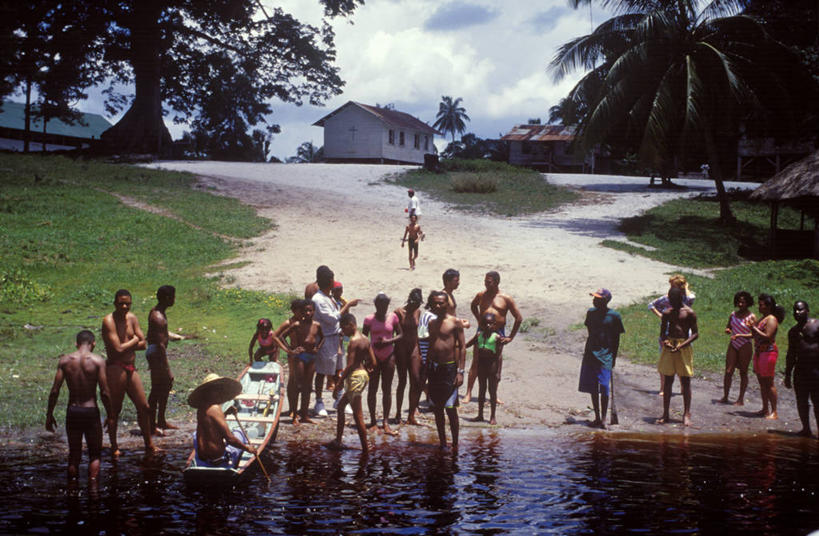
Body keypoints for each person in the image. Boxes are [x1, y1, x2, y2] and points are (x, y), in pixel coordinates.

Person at [45, 330, 112, 488]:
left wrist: (49, 414)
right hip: (90, 411)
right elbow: (104, 392)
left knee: (74, 455)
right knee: (94, 455)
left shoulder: (65, 361)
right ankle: (94, 491)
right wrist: (111, 415)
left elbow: (54, 391)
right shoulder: (98, 361)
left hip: (73, 411)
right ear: (93, 344)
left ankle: (72, 492)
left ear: (76, 344)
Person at [101, 289, 158, 456]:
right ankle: (114, 447)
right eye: (121, 304)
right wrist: (134, 340)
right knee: (114, 410)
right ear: (115, 303)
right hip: (115, 368)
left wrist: (131, 343)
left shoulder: (132, 318)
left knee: (144, 407)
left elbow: (144, 344)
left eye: (127, 304)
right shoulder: (109, 321)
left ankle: (149, 444)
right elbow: (117, 349)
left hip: (130, 367)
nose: (125, 307)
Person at [464, 271, 522, 403]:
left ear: (496, 282)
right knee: (476, 360)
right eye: (485, 281)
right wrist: (479, 319)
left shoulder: (506, 298)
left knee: (495, 363)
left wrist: (510, 337)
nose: (486, 284)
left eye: (488, 282)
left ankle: (493, 395)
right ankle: (468, 392)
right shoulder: (481, 295)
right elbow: (473, 306)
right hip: (482, 330)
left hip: (498, 332)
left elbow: (518, 318)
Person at [311, 266, 359, 417]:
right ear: (330, 281)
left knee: (339, 370)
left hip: (336, 338)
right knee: (322, 371)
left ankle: (339, 398)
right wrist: (348, 305)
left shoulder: (330, 298)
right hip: (325, 338)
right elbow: (331, 318)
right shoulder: (318, 299)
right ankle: (319, 401)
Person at [330, 313, 377, 452]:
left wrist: (339, 383)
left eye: (343, 328)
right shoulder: (365, 339)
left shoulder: (353, 341)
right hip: (362, 376)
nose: (343, 332)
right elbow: (373, 362)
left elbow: (350, 365)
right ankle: (338, 441)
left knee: (358, 415)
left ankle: (365, 448)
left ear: (351, 325)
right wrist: (366, 369)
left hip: (355, 377)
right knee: (341, 406)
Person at [578, 289, 625, 429]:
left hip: (606, 354)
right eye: (594, 298)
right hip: (590, 353)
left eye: (597, 299)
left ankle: (604, 418)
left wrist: (613, 357)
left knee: (604, 386)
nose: (594, 301)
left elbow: (616, 338)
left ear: (605, 301)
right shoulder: (591, 313)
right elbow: (590, 332)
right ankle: (597, 417)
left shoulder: (614, 316)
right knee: (593, 386)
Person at [189, 373, 257, 467]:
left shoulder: (201, 409)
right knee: (240, 433)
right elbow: (230, 439)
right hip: (219, 460)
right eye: (216, 390)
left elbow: (211, 423)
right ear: (208, 392)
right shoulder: (215, 408)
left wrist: (225, 413)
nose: (220, 393)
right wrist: (248, 449)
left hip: (204, 459)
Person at [427, 291, 466, 449]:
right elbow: (431, 346)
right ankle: (443, 443)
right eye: (435, 303)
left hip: (449, 369)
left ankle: (455, 444)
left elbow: (462, 347)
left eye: (441, 303)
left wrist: (460, 371)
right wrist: (426, 369)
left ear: (446, 304)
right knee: (437, 409)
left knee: (450, 408)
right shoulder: (431, 323)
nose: (438, 306)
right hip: (434, 368)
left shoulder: (455, 322)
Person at [657, 286, 698, 426]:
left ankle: (686, 414)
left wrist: (682, 345)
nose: (672, 303)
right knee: (668, 380)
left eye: (674, 300)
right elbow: (662, 333)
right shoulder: (667, 313)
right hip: (670, 346)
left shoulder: (689, 313)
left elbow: (695, 334)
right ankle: (665, 414)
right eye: (670, 300)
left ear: (681, 298)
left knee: (685, 381)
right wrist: (666, 341)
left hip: (683, 346)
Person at [146, 285, 184, 435]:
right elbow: (160, 345)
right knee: (157, 388)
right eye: (173, 297)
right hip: (157, 354)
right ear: (168, 298)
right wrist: (167, 369)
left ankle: (161, 420)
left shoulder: (156, 312)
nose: (174, 299)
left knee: (165, 386)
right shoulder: (159, 318)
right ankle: (151, 425)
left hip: (154, 352)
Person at [649, 275, 695, 397]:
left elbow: (691, 297)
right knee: (665, 360)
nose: (671, 288)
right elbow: (651, 305)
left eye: (674, 286)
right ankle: (663, 387)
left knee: (683, 360)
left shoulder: (686, 298)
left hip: (684, 334)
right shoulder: (666, 298)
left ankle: (683, 386)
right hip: (667, 332)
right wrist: (661, 315)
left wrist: (686, 288)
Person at [363, 293, 403, 435]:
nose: (383, 308)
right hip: (374, 356)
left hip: (389, 356)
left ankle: (385, 422)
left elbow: (400, 334)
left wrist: (388, 341)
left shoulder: (393, 317)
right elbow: (364, 338)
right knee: (372, 388)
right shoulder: (369, 319)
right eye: (380, 306)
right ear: (376, 305)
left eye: (385, 306)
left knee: (387, 388)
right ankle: (373, 421)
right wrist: (366, 358)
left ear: (387, 305)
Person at [279, 301, 324, 424]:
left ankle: (305, 415)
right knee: (298, 385)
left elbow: (323, 337)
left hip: (312, 357)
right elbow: (282, 336)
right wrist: (291, 350)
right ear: (302, 312)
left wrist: (318, 347)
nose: (308, 313)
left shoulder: (317, 325)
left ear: (314, 311)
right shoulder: (297, 324)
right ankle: (294, 415)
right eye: (305, 311)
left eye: (310, 310)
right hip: (300, 357)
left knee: (307, 387)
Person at [785, 302, 819, 437]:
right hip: (800, 370)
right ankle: (806, 429)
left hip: (816, 370)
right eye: (795, 310)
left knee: (817, 401)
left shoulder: (816, 325)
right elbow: (791, 354)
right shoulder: (793, 332)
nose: (797, 313)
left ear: (807, 310)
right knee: (801, 401)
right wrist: (788, 374)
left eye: (800, 310)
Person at [465, 312, 505, 424]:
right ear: (482, 324)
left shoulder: (497, 337)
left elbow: (499, 356)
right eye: (486, 323)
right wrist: (458, 346)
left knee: (492, 391)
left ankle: (493, 416)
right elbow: (468, 344)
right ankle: (480, 415)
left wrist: (498, 372)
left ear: (494, 324)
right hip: (481, 365)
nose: (488, 326)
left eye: (490, 323)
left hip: (492, 366)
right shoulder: (479, 335)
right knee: (481, 390)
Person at [750, 293, 785, 420]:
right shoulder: (763, 318)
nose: (759, 307)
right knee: (762, 382)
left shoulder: (771, 319)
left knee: (769, 382)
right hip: (759, 352)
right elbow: (755, 334)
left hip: (768, 353)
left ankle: (774, 411)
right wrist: (749, 329)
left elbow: (768, 336)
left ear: (768, 306)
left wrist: (754, 328)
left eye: (761, 305)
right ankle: (765, 408)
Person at [272, 299, 308, 418]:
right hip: (294, 355)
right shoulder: (289, 322)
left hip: (305, 354)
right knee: (293, 381)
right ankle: (292, 409)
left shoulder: (305, 321)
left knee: (303, 382)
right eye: (300, 311)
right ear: (294, 311)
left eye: (303, 311)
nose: (303, 313)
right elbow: (275, 336)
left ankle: (301, 410)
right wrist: (288, 350)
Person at [721, 291, 756, 405]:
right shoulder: (733, 315)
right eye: (739, 302)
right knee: (728, 371)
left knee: (743, 372)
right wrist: (728, 330)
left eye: (743, 302)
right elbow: (728, 327)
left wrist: (740, 335)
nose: (741, 304)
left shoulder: (751, 317)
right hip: (734, 343)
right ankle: (725, 396)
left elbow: (754, 334)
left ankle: (740, 399)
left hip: (745, 344)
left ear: (748, 303)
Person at [393, 288, 422, 424]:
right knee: (402, 381)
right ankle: (398, 413)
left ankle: (411, 415)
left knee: (416, 379)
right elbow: (394, 331)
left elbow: (418, 331)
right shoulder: (399, 312)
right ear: (410, 301)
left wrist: (421, 350)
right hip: (401, 348)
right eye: (415, 304)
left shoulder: (418, 312)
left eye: (418, 304)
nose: (416, 306)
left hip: (414, 347)